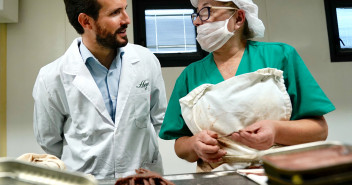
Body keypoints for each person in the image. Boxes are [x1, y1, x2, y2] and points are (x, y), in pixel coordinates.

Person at [159, 0, 335, 172]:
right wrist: (193, 145)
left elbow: (319, 131)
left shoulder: (279, 56)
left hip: (279, 174)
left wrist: (276, 131)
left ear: (239, 18)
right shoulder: (191, 75)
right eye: (197, 14)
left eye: (206, 11)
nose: (197, 21)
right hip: (216, 178)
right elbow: (180, 146)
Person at [33, 0, 167, 179]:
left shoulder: (146, 60)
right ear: (86, 22)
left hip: (142, 178)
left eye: (125, 10)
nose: (126, 20)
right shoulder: (51, 77)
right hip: (87, 180)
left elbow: (160, 118)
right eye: (115, 13)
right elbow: (49, 141)